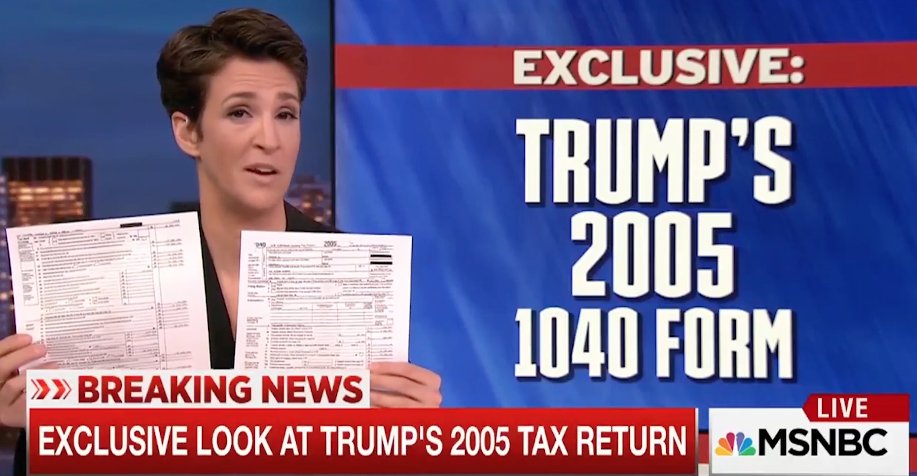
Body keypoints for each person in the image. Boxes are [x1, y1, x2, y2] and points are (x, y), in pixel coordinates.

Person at [1, 8, 442, 474]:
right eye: (240, 112)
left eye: (286, 114)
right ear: (188, 132)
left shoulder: (357, 282)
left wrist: (411, 441)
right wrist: (36, 429)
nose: (269, 139)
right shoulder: (111, 285)